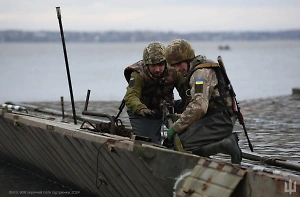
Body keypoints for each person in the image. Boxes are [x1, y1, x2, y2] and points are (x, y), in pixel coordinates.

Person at [165, 39, 242, 164]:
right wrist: (179, 119)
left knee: (181, 144)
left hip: (219, 121)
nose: (177, 69)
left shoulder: (199, 75)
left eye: (179, 64)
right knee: (181, 137)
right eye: (174, 66)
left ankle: (226, 145)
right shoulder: (202, 67)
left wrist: (175, 127)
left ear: (188, 59)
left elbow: (199, 106)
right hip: (217, 118)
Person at [124, 41, 185, 144]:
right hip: (143, 113)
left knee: (192, 108)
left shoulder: (174, 71)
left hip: (167, 108)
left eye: (160, 64)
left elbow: (186, 91)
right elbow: (131, 96)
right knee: (148, 144)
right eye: (153, 65)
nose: (157, 69)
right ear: (146, 64)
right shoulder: (138, 74)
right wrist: (142, 109)